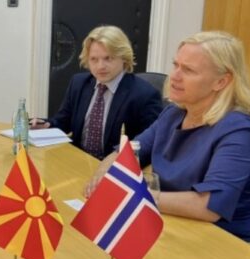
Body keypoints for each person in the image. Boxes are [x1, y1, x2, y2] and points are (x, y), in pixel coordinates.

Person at [87, 31, 250, 241]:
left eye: (189, 70)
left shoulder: (239, 131)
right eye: (176, 65)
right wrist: (103, 175)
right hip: (175, 227)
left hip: (227, 243)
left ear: (221, 81)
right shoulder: (173, 114)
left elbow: (209, 206)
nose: (174, 76)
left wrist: (136, 195)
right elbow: (129, 151)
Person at [30, 25, 162, 159]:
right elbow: (63, 121)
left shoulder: (145, 95)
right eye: (94, 59)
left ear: (123, 57)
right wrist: (47, 125)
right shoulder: (79, 83)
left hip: (114, 166)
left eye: (108, 58)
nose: (100, 66)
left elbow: (150, 146)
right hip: (78, 161)